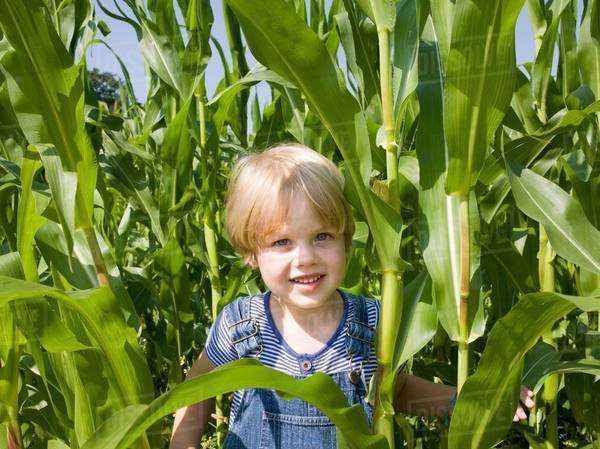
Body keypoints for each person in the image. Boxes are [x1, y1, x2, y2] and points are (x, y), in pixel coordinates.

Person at [169, 143, 534, 449]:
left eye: (322, 236)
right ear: (251, 252)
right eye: (282, 242)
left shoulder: (371, 320)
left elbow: (398, 391)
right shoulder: (241, 325)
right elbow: (196, 391)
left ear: (346, 239)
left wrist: (476, 399)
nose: (306, 257)